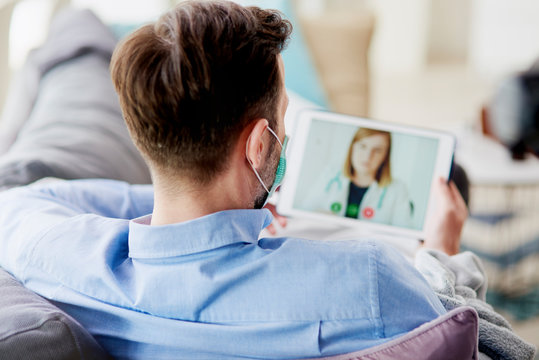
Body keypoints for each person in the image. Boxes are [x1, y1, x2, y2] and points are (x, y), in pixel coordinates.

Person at [0, 2, 535, 359]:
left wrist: (199, 207)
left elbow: (24, 199)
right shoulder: (370, 280)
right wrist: (442, 252)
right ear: (260, 144)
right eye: (284, 114)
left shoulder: (51, 253)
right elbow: (487, 341)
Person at [318, 127, 412, 227]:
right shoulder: (330, 174)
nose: (368, 156)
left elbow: (404, 231)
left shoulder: (397, 189)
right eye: (363, 146)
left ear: (385, 156)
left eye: (377, 150)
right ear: (352, 147)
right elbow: (305, 210)